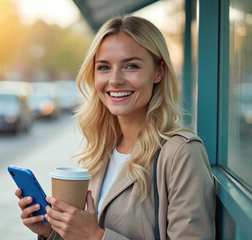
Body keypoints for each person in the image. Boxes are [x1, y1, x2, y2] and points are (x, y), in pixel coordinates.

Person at [15, 15, 215, 240]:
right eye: (104, 67)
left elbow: (92, 235)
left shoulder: (182, 153)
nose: (115, 79)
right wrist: (51, 232)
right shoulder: (102, 151)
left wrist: (97, 237)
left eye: (131, 66)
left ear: (158, 72)